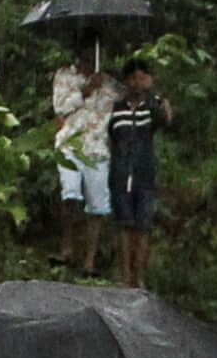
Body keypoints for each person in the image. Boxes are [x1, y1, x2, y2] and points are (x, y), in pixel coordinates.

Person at [104, 62, 173, 291]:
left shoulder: (151, 107)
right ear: (126, 82)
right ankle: (125, 276)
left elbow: (165, 120)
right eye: (133, 78)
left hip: (144, 173)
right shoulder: (116, 108)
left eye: (142, 78)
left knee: (143, 226)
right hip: (121, 172)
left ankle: (139, 277)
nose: (137, 83)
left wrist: (153, 94)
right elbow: (110, 136)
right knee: (125, 225)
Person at [50, 51, 117, 276]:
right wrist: (84, 91)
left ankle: (90, 261)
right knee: (70, 194)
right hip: (70, 144)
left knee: (98, 206)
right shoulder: (64, 76)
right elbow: (59, 109)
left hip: (97, 148)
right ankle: (66, 249)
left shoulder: (109, 83)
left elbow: (130, 101)